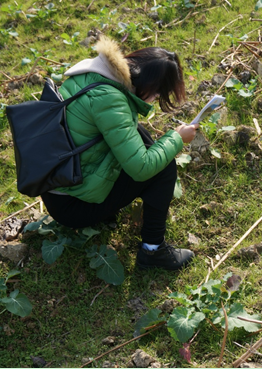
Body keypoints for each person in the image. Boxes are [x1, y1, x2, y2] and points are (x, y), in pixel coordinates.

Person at [40, 35, 198, 271]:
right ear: (151, 84)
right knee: (162, 168)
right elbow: (141, 168)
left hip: (58, 188)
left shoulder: (93, 75)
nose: (154, 100)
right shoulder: (109, 99)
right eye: (157, 95)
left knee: (140, 135)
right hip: (71, 206)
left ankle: (124, 216)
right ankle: (153, 251)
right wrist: (177, 138)